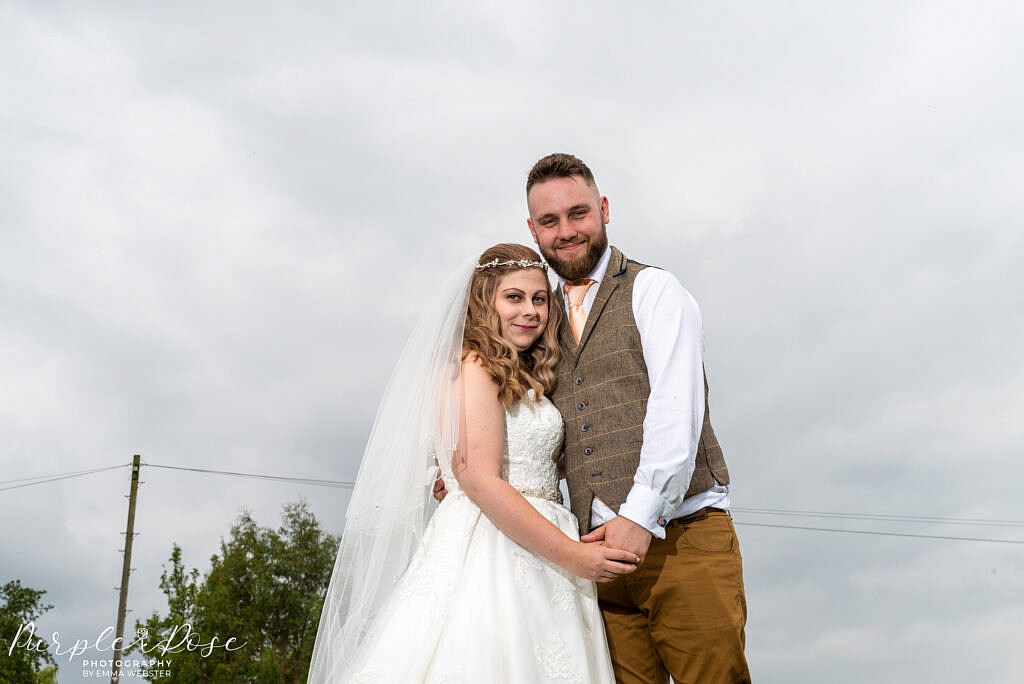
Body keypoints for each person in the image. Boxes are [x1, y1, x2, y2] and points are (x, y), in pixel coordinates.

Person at [307, 243, 637, 683]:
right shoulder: (474, 364)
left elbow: (524, 456)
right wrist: (575, 557)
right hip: (494, 545)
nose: (531, 311)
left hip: (543, 546)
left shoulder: (525, 372)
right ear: (485, 301)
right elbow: (481, 481)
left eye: (539, 299)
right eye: (513, 297)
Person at [525, 152, 752, 683]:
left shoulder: (654, 290)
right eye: (550, 221)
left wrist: (640, 514)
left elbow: (677, 408)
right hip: (599, 569)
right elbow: (553, 433)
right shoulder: (541, 319)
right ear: (532, 229)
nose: (567, 231)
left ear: (603, 209)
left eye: (578, 213)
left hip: (683, 540)